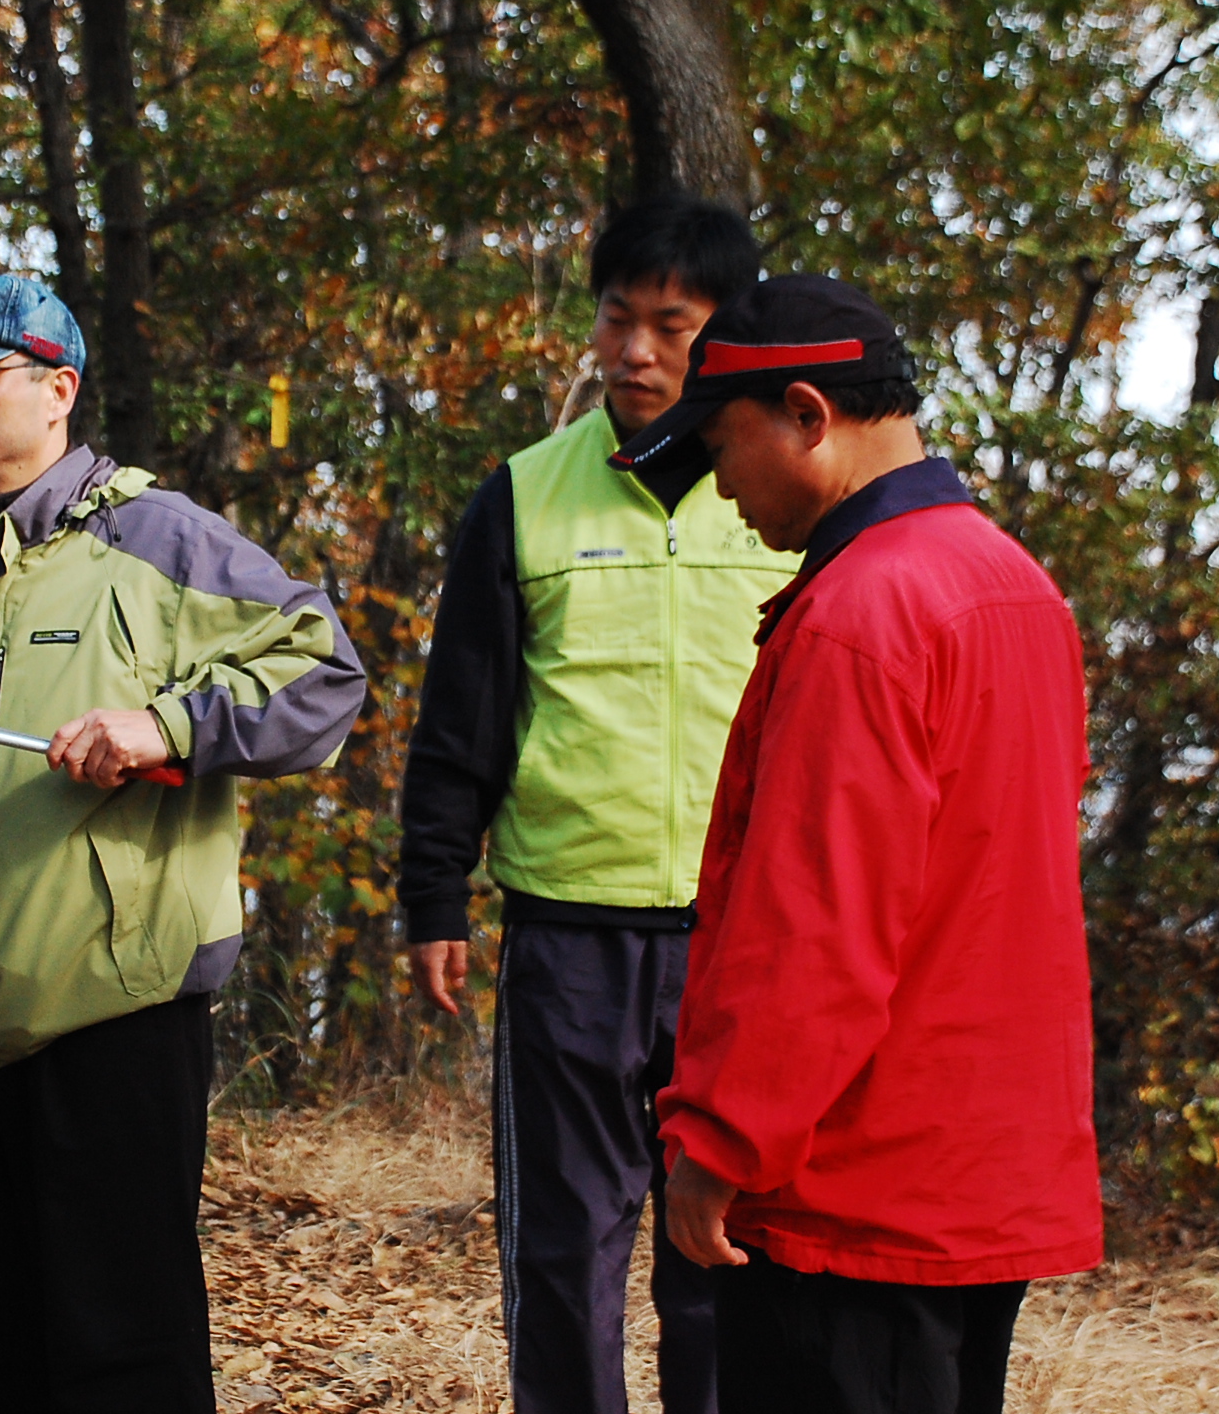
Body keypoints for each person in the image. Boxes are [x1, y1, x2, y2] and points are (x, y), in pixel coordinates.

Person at [0, 274, 367, 1414]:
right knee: (7, 1360)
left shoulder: (158, 541)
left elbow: (323, 670)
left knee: (122, 1362)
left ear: (57, 388)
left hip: (115, 1028)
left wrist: (162, 722)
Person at [611, 274, 1102, 1413]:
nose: (723, 493)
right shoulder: (1015, 584)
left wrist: (719, 1141)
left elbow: (814, 926)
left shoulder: (859, 612)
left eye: (723, 447)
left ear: (806, 415)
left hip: (855, 1187)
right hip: (977, 1171)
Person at [397, 196, 792, 1414]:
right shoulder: (522, 496)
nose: (634, 350)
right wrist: (432, 891)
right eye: (618, 318)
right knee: (564, 1249)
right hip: (568, 926)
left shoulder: (779, 495)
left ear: (723, 332)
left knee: (723, 1252)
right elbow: (461, 711)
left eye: (669, 324)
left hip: (744, 936)